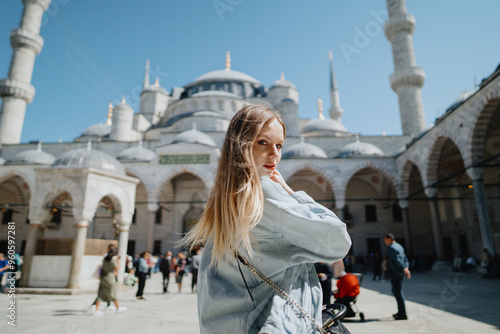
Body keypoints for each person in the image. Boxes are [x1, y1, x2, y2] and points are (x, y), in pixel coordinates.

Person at [181, 105, 351, 333]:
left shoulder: (225, 199)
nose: (275, 154)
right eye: (263, 142)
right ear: (241, 145)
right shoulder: (263, 195)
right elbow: (338, 241)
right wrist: (292, 193)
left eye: (279, 145)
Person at [384, 233, 411, 320]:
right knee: (397, 292)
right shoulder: (399, 246)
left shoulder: (391, 248)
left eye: (385, 240)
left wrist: (404, 268)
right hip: (400, 272)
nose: (385, 242)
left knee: (398, 292)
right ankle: (401, 312)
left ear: (389, 239)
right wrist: (406, 267)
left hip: (395, 272)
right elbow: (405, 258)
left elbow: (397, 260)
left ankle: (402, 313)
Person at [93, 248, 126, 315]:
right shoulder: (113, 260)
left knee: (101, 293)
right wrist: (118, 260)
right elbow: (116, 268)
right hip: (110, 278)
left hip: (103, 277)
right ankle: (118, 308)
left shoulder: (105, 259)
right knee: (113, 293)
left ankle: (96, 309)